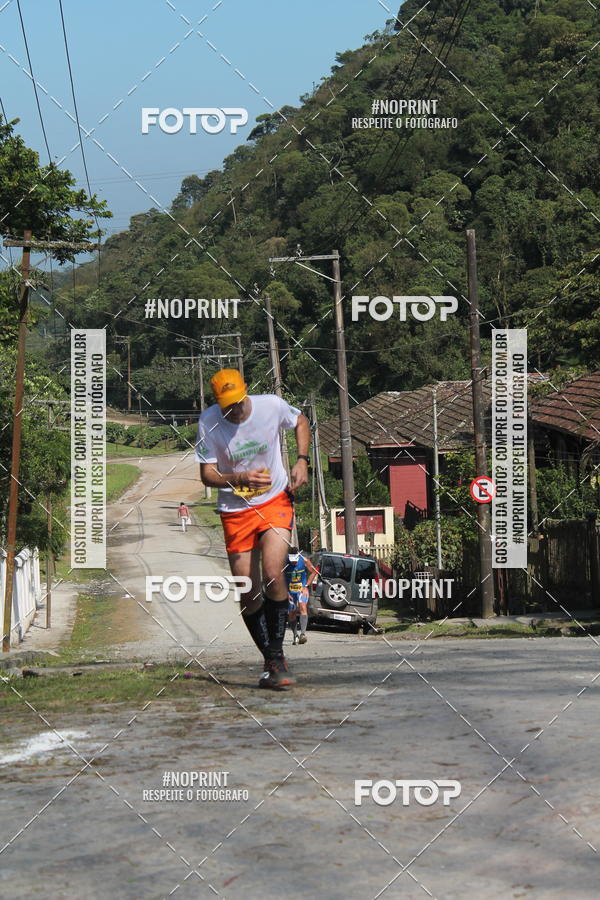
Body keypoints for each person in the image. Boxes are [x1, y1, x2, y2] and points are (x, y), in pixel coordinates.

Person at [195, 369, 310, 690]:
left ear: (246, 393)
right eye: (226, 405)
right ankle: (271, 660)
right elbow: (207, 475)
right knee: (248, 589)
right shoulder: (208, 422)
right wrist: (240, 479)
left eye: (237, 402)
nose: (233, 410)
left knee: (274, 572)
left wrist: (302, 460)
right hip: (236, 509)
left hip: (274, 499)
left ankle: (277, 654)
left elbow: (300, 420)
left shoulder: (270, 405)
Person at [285, 547, 315, 645]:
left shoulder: (305, 561)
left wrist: (306, 585)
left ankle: (303, 634)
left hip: (302, 589)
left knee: (303, 607)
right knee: (292, 612)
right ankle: (295, 635)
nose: (294, 563)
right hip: (290, 591)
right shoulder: (284, 562)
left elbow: (313, 572)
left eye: (295, 560)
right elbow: (279, 578)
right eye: (292, 561)